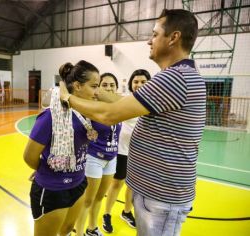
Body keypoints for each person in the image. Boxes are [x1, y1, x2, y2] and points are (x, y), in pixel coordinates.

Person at [60, 9, 205, 236]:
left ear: (174, 37)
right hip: (159, 195)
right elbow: (122, 101)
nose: (149, 40)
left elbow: (110, 114)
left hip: (161, 198)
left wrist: (68, 99)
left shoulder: (173, 78)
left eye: (155, 34)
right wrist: (94, 92)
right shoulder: (182, 75)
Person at [23, 60, 100, 236]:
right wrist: (45, 170)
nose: (98, 92)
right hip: (52, 189)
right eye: (94, 86)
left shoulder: (88, 114)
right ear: (78, 86)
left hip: (79, 182)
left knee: (66, 229)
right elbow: (29, 156)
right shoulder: (51, 116)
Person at [102, 69, 151, 233]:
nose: (139, 84)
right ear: (131, 83)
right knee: (117, 183)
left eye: (143, 82)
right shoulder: (126, 100)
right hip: (122, 150)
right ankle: (107, 214)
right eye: (136, 81)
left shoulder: (152, 102)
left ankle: (127, 211)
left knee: (133, 186)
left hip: (140, 152)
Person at [75, 73, 121, 236]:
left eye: (112, 85)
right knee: (87, 200)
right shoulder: (92, 106)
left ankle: (92, 229)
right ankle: (79, 232)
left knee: (99, 197)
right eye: (105, 85)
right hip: (93, 158)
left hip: (111, 158)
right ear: (99, 88)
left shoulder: (120, 106)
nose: (109, 88)